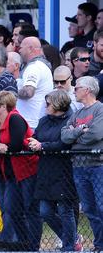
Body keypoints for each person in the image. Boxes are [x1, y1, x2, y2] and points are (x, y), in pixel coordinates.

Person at [0, 91, 41, 251]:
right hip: (10, 173)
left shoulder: (15, 119)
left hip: (26, 170)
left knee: (30, 209)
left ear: (4, 106)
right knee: (12, 209)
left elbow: (17, 144)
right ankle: (23, 242)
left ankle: (33, 246)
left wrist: (5, 148)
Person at [28, 90, 80, 251]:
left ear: (58, 105)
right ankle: (73, 238)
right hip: (45, 170)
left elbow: (64, 143)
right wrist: (33, 143)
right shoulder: (44, 121)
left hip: (64, 171)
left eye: (49, 104)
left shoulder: (70, 120)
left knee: (65, 210)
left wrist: (42, 146)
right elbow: (37, 137)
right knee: (45, 211)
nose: (46, 106)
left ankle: (69, 246)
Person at [61, 76, 103, 250]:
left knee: (101, 207)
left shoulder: (100, 109)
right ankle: (100, 245)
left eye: (77, 88)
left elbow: (96, 134)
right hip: (79, 166)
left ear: (88, 90)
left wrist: (75, 136)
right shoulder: (77, 113)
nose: (74, 91)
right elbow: (64, 136)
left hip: (98, 166)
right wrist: (80, 130)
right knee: (90, 210)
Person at [17, 36, 54, 129]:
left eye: (21, 47)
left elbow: (28, 92)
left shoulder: (34, 67)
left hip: (30, 123)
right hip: (34, 122)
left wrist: (12, 93)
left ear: (30, 49)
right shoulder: (39, 66)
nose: (19, 51)